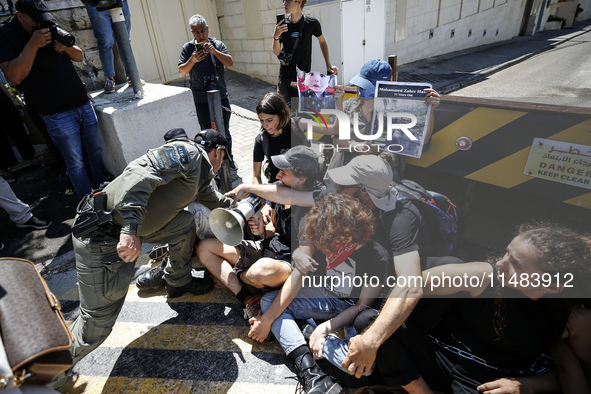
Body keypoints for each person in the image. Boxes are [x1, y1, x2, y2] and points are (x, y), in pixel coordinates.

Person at [54, 128, 231, 388]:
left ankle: (177, 282)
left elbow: (215, 201)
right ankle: (44, 375)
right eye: (223, 159)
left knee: (184, 224)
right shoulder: (190, 154)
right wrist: (130, 229)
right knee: (96, 324)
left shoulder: (202, 175)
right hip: (102, 237)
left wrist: (239, 207)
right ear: (219, 152)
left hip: (121, 230)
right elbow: (138, 174)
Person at [355, 223, 591, 394]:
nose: (501, 263)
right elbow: (411, 284)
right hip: (437, 357)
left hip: (490, 381)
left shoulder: (573, 319)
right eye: (508, 252)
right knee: (370, 323)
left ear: (552, 286)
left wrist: (527, 386)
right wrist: (371, 341)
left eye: (516, 264)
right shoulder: (484, 277)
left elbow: (579, 371)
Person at [257, 193, 389, 394]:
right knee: (270, 301)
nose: (325, 249)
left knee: (361, 368)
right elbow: (302, 253)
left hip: (352, 306)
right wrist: (297, 255)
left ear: (347, 234)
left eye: (330, 243)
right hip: (326, 295)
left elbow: (362, 306)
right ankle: (311, 372)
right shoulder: (324, 233)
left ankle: (306, 331)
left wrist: (324, 329)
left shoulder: (376, 254)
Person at [196, 145, 320, 319]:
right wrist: (264, 231)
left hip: (286, 263)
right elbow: (277, 231)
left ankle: (235, 276)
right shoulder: (283, 190)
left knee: (259, 272)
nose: (277, 176)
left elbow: (302, 268)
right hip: (268, 248)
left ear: (302, 179)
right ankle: (248, 297)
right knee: (205, 248)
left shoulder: (311, 213)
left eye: (283, 173)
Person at [0, 0, 106, 198]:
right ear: (20, 15)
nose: (40, 25)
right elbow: (13, 78)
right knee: (75, 161)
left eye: (43, 19)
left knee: (94, 151)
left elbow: (78, 56)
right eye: (35, 20)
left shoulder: (48, 25)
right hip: (56, 112)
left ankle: (101, 191)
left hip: (81, 102)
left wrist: (64, 48)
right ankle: (87, 203)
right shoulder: (6, 35)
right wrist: (32, 45)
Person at [178, 14, 237, 170]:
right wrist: (193, 60)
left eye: (203, 31)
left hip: (220, 96)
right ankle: (211, 164)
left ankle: (228, 158)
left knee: (225, 131)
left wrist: (214, 52)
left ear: (208, 29)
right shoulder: (188, 48)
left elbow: (230, 62)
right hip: (201, 98)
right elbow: (181, 71)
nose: (200, 35)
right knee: (207, 134)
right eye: (196, 32)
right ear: (192, 33)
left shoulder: (217, 44)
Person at [273, 0, 338, 105]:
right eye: (284, 0)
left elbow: (322, 41)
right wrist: (275, 37)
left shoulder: (312, 23)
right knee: (285, 116)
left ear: (299, 2)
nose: (284, 3)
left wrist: (328, 64)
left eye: (288, 0)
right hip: (285, 78)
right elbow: (276, 52)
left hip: (303, 79)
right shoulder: (283, 24)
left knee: (302, 116)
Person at [253, 92, 308, 184]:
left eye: (270, 120)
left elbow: (333, 128)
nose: (265, 125)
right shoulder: (261, 140)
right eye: (261, 120)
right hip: (278, 186)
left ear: (282, 114)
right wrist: (260, 192)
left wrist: (338, 101)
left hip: (303, 184)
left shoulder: (298, 125)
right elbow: (256, 176)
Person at [84, 0, 134, 93]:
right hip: (97, 3)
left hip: (120, 1)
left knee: (124, 39)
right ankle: (110, 78)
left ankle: (132, 75)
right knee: (105, 41)